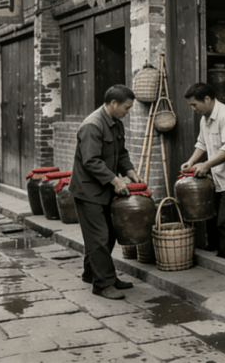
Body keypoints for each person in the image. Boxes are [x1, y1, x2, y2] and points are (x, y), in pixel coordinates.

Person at [69, 85, 142, 300]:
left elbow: (121, 153)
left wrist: (130, 172)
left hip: (105, 189)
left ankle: (92, 273)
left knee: (109, 235)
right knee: (99, 237)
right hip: (88, 191)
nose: (127, 112)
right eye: (126, 108)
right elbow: (91, 161)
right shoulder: (92, 125)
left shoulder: (116, 124)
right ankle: (103, 284)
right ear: (113, 103)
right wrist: (116, 180)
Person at [181, 82, 225, 262]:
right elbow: (202, 143)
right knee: (213, 219)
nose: (193, 109)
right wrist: (191, 161)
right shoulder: (205, 117)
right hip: (218, 176)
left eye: (194, 105)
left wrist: (206, 165)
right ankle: (218, 254)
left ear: (207, 99)